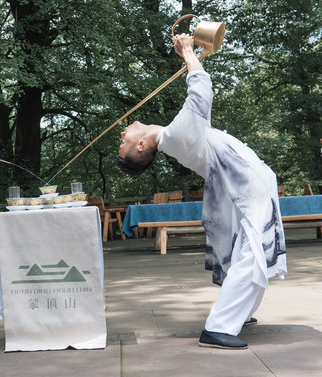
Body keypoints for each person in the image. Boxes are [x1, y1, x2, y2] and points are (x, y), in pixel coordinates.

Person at [117, 33, 287, 349]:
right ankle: (218, 328)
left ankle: (238, 314)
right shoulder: (175, 136)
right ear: (140, 145)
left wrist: (191, 54)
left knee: (251, 254)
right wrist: (187, 52)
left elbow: (200, 108)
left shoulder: (178, 133)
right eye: (123, 142)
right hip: (244, 187)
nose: (122, 134)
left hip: (245, 185)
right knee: (253, 256)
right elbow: (200, 93)